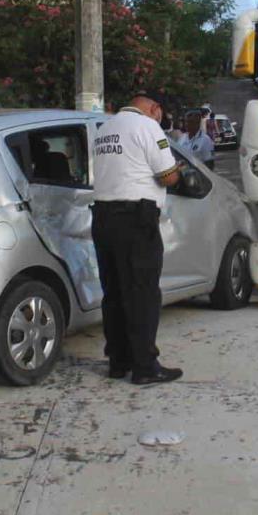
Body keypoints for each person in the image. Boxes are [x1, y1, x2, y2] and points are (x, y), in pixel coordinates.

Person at [90, 92, 184, 385]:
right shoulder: (147, 127)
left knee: (115, 292)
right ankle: (145, 366)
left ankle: (118, 361)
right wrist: (178, 173)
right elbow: (167, 175)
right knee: (142, 293)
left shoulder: (105, 129)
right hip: (135, 219)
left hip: (103, 217)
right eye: (161, 114)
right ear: (154, 109)